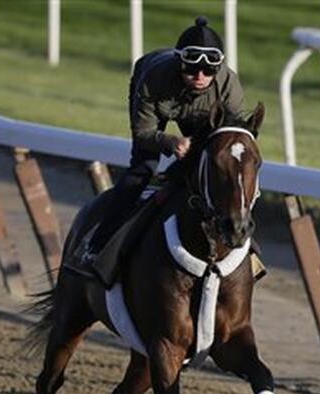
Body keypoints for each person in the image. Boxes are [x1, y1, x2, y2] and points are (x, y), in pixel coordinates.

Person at [86, 16, 249, 270]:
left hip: (205, 119)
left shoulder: (229, 85)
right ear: (179, 63)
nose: (199, 76)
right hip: (156, 110)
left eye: (208, 71)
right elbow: (143, 133)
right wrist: (171, 141)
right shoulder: (154, 78)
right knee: (142, 170)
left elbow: (233, 139)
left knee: (221, 172)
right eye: (192, 69)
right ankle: (98, 244)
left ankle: (248, 247)